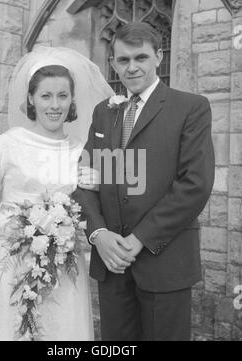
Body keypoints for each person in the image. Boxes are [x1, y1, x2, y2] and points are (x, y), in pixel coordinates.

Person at [73, 22, 215, 341]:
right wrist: (98, 235)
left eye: (140, 57)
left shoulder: (190, 108)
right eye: (123, 60)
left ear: (158, 57)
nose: (132, 67)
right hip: (112, 265)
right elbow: (87, 180)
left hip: (164, 261)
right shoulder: (103, 114)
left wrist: (138, 238)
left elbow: (195, 184)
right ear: (112, 63)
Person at [0, 46, 114, 341]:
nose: (54, 105)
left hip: (63, 266)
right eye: (46, 96)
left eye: (62, 96)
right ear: (31, 98)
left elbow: (93, 208)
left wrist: (99, 186)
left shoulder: (81, 152)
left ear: (72, 100)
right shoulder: (6, 144)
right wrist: (18, 229)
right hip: (10, 261)